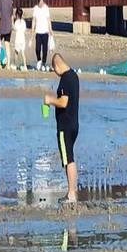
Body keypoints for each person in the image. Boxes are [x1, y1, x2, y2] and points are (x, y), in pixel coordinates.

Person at [43, 53, 80, 205]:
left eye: (54, 70)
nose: (56, 73)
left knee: (68, 159)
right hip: (74, 124)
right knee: (70, 158)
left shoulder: (66, 78)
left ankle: (71, 194)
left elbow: (64, 102)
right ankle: (72, 192)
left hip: (65, 125)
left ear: (57, 66)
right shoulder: (74, 76)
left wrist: (50, 100)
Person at [31, 0, 53, 71]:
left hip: (45, 32)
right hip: (38, 32)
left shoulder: (46, 8)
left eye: (41, 0)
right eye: (39, 1)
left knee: (45, 49)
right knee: (37, 49)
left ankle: (43, 63)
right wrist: (32, 29)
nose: (40, 2)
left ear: (43, 0)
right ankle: (39, 60)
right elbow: (34, 20)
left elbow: (48, 19)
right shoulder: (35, 8)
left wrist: (50, 29)